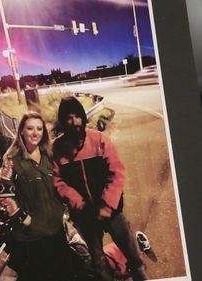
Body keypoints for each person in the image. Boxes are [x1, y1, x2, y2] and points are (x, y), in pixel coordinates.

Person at [52, 96, 147, 281]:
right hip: (83, 214)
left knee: (131, 252)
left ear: (83, 117)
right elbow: (57, 181)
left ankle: (140, 275)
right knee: (98, 262)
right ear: (62, 122)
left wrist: (107, 205)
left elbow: (117, 173)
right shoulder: (57, 148)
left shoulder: (100, 140)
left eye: (77, 116)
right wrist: (74, 199)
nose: (74, 122)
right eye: (68, 118)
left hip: (111, 210)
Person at [0, 112, 72, 281]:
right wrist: (24, 219)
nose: (35, 133)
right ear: (21, 132)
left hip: (56, 231)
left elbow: (62, 183)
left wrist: (65, 209)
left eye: (39, 129)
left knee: (63, 275)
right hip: (31, 237)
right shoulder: (11, 160)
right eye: (30, 128)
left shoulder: (49, 155)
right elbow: (5, 196)